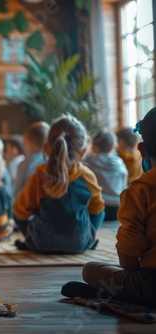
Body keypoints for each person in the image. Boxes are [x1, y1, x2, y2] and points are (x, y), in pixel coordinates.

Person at [61, 107, 156, 306]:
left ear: (142, 150)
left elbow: (128, 262)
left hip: (150, 287)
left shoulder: (141, 191)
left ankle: (104, 293)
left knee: (91, 269)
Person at [13, 115, 105, 254]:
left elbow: (20, 212)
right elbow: (97, 210)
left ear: (46, 148)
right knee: (96, 212)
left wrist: (31, 234)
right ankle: (86, 239)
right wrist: (88, 234)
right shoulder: (87, 176)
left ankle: (32, 240)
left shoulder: (39, 176)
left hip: (41, 243)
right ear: (82, 152)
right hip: (78, 244)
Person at [83, 128, 128, 221]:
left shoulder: (88, 163)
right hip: (118, 210)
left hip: (98, 209)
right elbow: (124, 188)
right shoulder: (120, 164)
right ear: (114, 147)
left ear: (94, 146)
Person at [12, 121, 50, 199]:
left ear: (30, 143)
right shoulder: (52, 161)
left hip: (29, 206)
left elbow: (16, 192)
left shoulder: (25, 164)